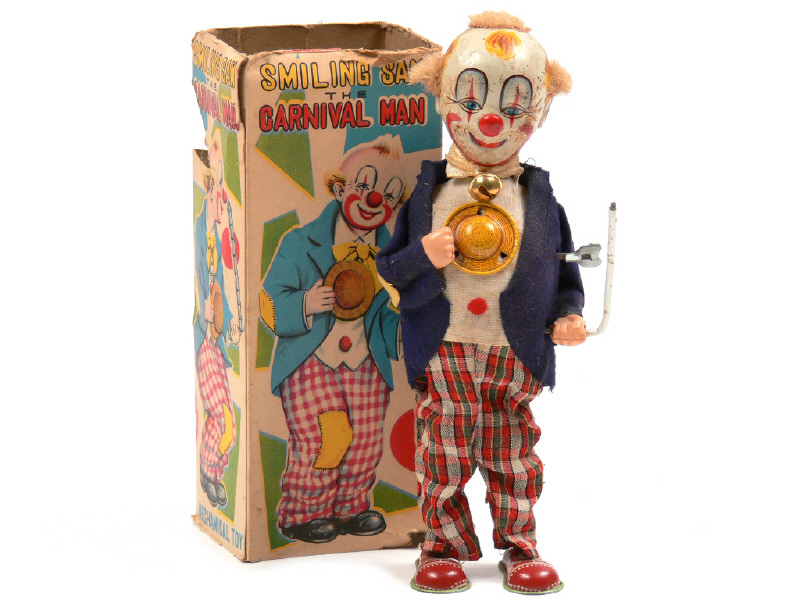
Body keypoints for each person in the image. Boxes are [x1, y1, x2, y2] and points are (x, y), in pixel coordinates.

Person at [376, 12, 585, 594]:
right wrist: (425, 255)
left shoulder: (540, 201)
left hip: (513, 352)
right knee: (442, 451)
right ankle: (440, 546)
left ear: (537, 115)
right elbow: (388, 268)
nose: (490, 120)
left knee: (513, 451)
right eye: (471, 100)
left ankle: (520, 545)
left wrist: (569, 314)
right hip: (445, 351)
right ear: (444, 98)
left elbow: (565, 271)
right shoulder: (429, 195)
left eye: (513, 107)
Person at [263, 135, 407, 544]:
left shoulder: (392, 256)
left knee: (365, 440)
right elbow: (270, 299)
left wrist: (407, 322)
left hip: (366, 361)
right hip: (312, 356)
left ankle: (351, 508)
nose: (375, 200)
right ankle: (303, 512)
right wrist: (305, 303)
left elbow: (391, 319)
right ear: (340, 188)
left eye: (388, 196)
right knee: (328, 435)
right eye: (364, 186)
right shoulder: (300, 242)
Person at [194, 126, 240, 508]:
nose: (220, 201)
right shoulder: (201, 230)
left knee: (230, 425)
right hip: (204, 344)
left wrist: (231, 323)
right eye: (217, 195)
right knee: (221, 418)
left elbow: (225, 286)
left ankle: (214, 473)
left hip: (216, 344)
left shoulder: (221, 238)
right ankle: (208, 474)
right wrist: (203, 313)